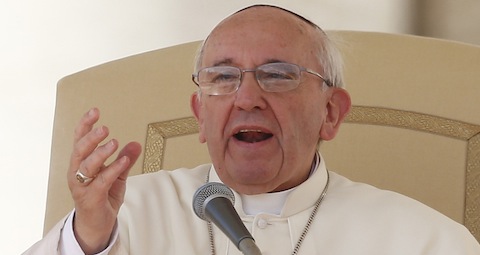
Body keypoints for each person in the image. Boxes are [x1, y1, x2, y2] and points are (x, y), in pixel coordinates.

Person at [24, 4, 480, 255]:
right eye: (223, 78)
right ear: (200, 116)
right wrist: (87, 241)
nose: (246, 98)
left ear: (331, 114)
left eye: (278, 74)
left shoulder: (423, 240)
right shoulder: (126, 217)